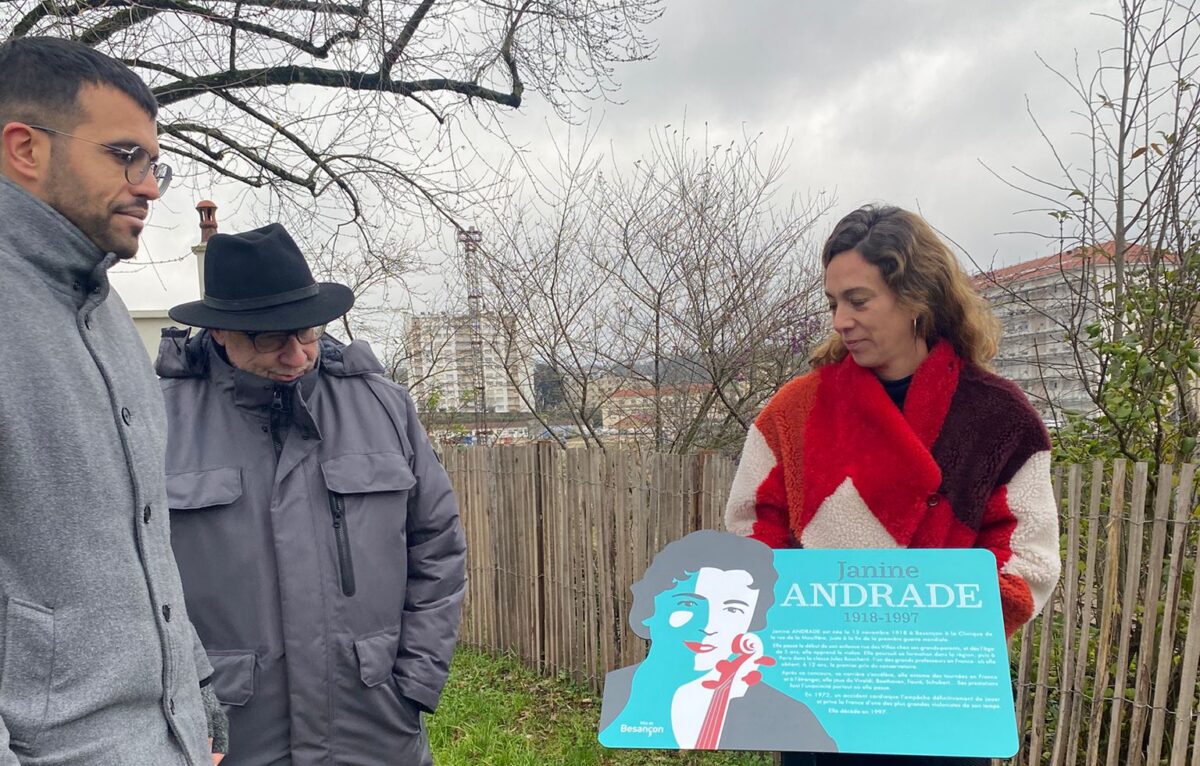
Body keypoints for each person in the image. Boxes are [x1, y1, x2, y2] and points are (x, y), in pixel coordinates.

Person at [724, 205, 1062, 766]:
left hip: (939, 697)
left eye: (858, 301)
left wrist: (931, 628)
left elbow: (1028, 559)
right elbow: (752, 529)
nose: (839, 320)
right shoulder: (794, 411)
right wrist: (799, 620)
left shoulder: (999, 419)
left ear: (916, 298)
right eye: (833, 303)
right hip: (821, 697)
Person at [157, 223, 466, 766]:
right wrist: (180, 705)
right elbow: (131, 583)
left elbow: (437, 544)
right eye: (272, 339)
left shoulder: (383, 408)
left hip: (375, 726)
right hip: (229, 733)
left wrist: (416, 679)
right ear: (223, 332)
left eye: (309, 334)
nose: (298, 356)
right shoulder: (158, 420)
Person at [0, 37, 226, 765]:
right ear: (25, 149)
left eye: (154, 163)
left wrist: (196, 692)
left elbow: (141, 541)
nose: (151, 186)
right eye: (125, 155)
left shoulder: (108, 316)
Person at [599, 530, 835, 752]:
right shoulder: (621, 689)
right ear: (650, 608)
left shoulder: (791, 716)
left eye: (732, 610)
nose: (709, 626)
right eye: (689, 603)